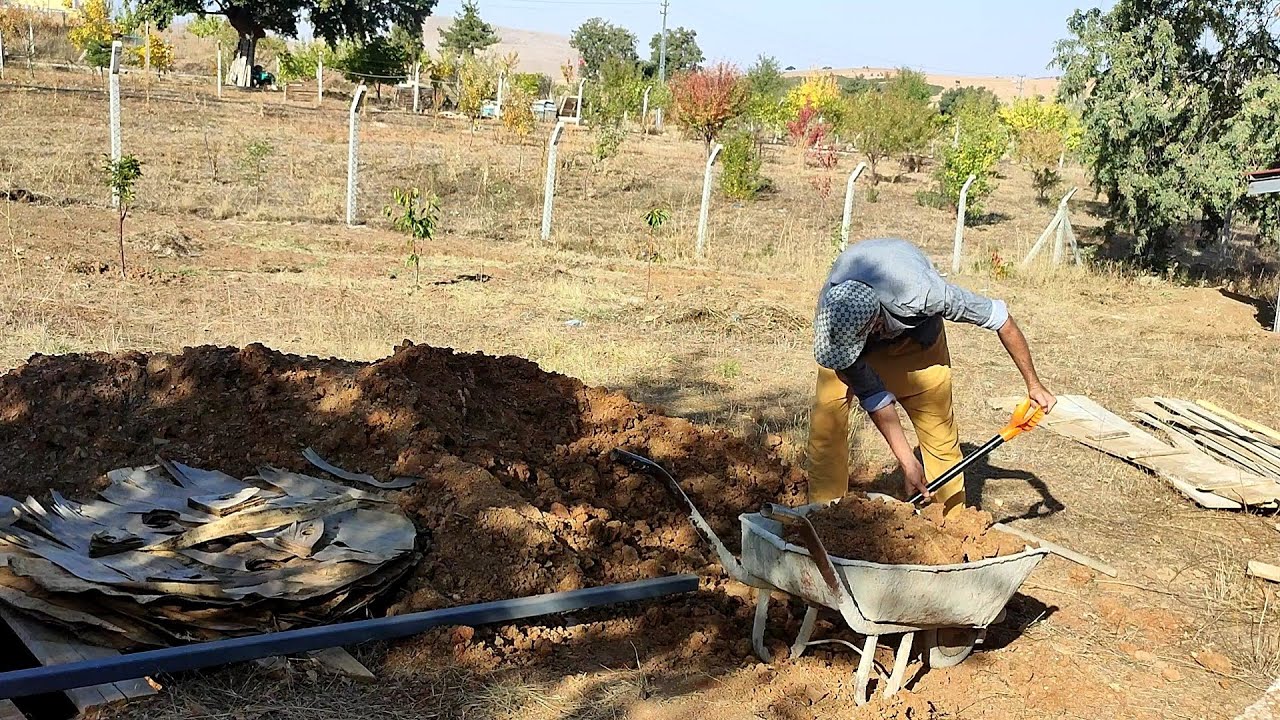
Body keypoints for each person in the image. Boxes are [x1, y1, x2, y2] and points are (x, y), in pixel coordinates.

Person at [807, 238, 1056, 515]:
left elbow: (1000, 318)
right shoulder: (834, 311)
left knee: (939, 436)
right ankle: (823, 517)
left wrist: (1034, 384)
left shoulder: (925, 294)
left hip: (916, 347)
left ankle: (950, 524)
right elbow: (872, 394)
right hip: (856, 339)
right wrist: (908, 462)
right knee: (826, 425)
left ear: (875, 324)